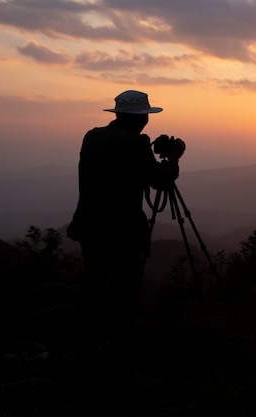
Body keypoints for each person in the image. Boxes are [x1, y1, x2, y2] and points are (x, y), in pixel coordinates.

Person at [66, 90, 176, 400]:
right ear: (142, 117)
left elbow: (119, 171)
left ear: (116, 114)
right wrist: (173, 160)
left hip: (90, 230)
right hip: (122, 234)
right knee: (125, 300)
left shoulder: (92, 137)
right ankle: (126, 373)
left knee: (94, 293)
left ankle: (87, 361)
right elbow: (160, 180)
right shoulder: (136, 144)